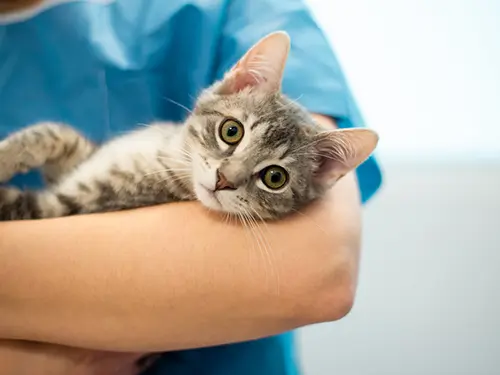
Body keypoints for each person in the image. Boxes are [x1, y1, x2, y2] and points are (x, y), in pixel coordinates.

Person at [0, 0, 383, 374]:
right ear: (237, 84)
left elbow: (319, 272)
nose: (227, 177)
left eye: (273, 177)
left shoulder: (240, 9)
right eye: (231, 132)